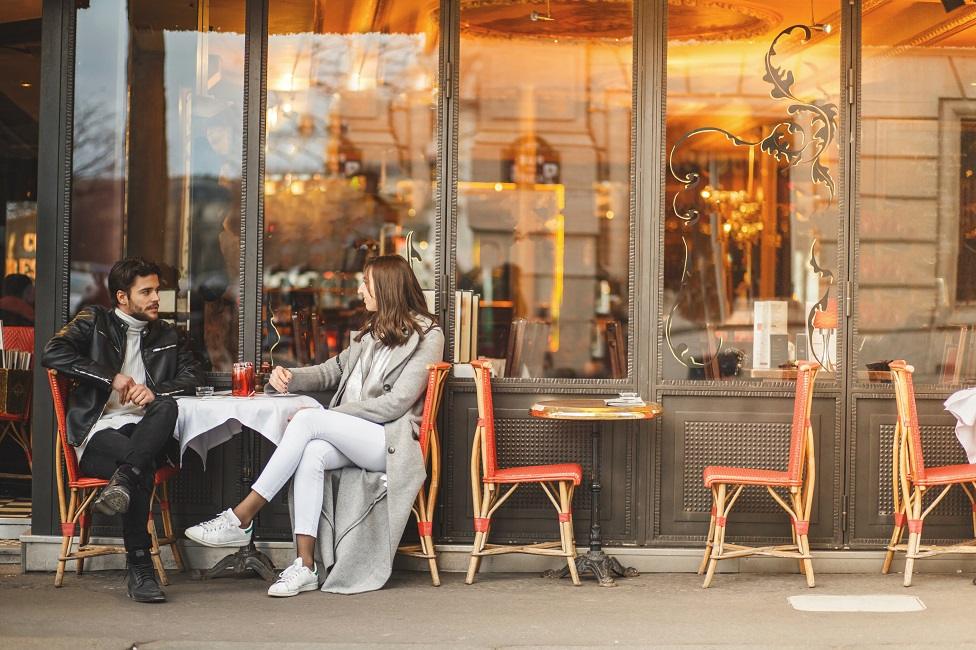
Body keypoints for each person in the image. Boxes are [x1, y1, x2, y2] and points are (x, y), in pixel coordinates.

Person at [185, 255, 444, 596]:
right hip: (358, 436)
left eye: (365, 282)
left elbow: (396, 403)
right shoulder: (369, 333)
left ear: (387, 287)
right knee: (313, 452)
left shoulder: (428, 334)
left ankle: (241, 516)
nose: (359, 288)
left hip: (391, 442)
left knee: (308, 422)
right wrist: (290, 378)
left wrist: (329, 417)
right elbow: (332, 370)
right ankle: (305, 565)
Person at [43, 258, 203, 603]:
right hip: (99, 433)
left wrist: (155, 392)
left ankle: (125, 481)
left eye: (157, 290)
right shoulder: (94, 322)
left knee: (166, 406)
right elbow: (53, 353)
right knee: (140, 466)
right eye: (146, 291)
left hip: (147, 430)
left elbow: (195, 379)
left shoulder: (168, 335)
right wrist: (110, 377)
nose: (156, 297)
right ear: (121, 297)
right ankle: (140, 567)